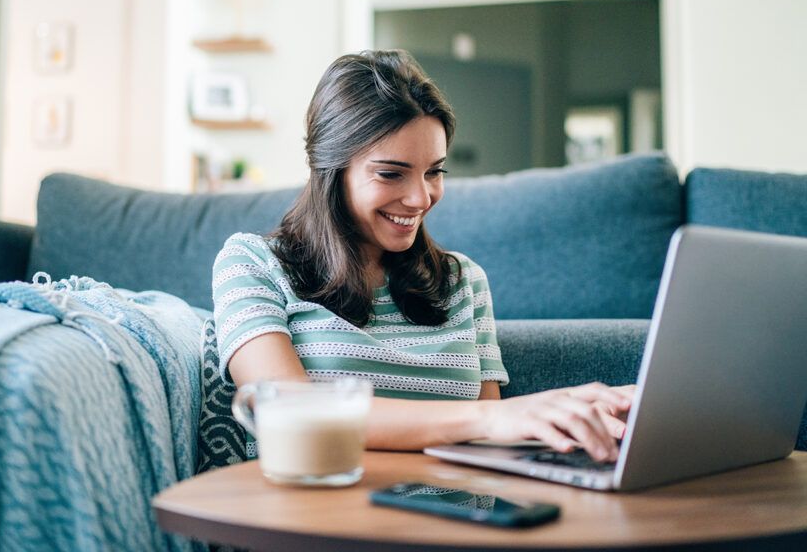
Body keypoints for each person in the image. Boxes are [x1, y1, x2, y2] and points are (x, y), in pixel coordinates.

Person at [212, 49, 633, 463]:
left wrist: (571, 420)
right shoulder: (252, 264)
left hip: (460, 524)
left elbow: (491, 446)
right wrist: (492, 416)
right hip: (319, 520)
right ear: (330, 169)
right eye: (391, 173)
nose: (420, 197)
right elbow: (287, 413)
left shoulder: (463, 281)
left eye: (434, 171)